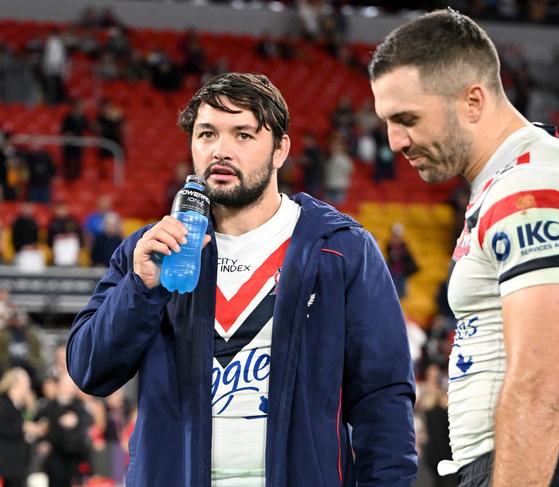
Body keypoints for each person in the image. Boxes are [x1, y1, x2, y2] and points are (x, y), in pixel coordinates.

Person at [67, 72, 417, 486]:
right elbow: (90, 369)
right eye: (207, 134)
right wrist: (140, 291)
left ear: (280, 149)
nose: (221, 151)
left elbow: (383, 400)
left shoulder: (342, 250)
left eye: (243, 136)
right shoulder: (150, 251)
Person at [369, 9, 559, 487]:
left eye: (407, 119)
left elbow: (539, 386)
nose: (395, 141)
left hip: (549, 465)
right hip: (554, 461)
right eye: (388, 122)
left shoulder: (530, 185)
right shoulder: (530, 172)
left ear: (473, 100)